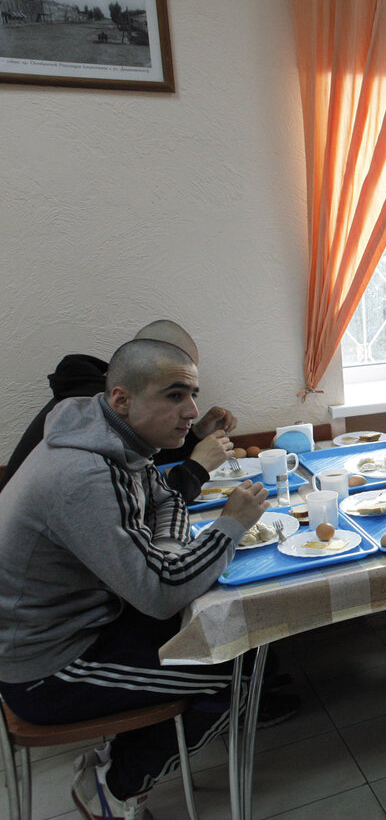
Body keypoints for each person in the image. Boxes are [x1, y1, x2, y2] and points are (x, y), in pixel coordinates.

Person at [0, 339, 270, 820]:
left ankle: (111, 765)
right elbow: (161, 594)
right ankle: (114, 790)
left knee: (232, 639)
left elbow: (165, 500)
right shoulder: (83, 472)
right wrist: (229, 525)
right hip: (46, 666)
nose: (191, 411)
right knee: (231, 671)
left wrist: (166, 554)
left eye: (192, 393)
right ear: (122, 399)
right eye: (173, 395)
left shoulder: (115, 438)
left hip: (88, 625)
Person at [0, 320, 238, 500]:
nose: (192, 410)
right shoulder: (88, 417)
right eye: (175, 393)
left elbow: (146, 468)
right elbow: (141, 504)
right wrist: (197, 468)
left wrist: (195, 435)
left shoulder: (105, 402)